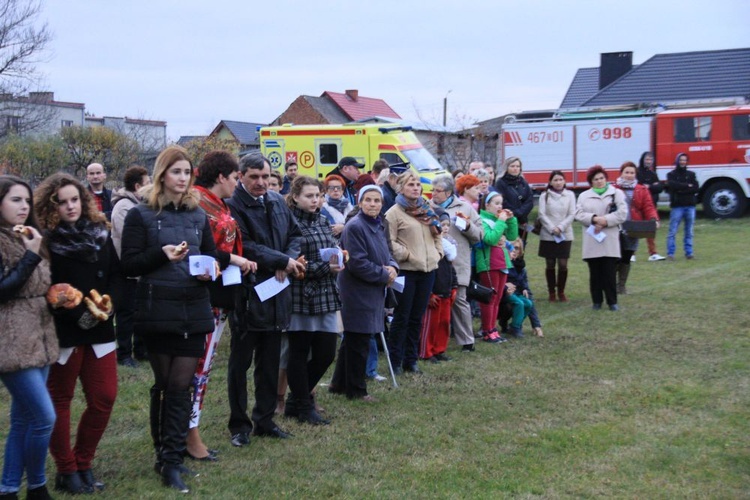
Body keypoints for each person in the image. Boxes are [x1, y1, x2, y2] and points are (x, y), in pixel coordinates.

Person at [120, 145, 218, 493]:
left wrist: (211, 270)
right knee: (166, 386)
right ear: (162, 174)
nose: (182, 178)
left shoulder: (197, 215)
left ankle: (173, 458)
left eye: (187, 172)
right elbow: (129, 264)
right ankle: (164, 456)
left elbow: (207, 256)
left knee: (182, 384)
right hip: (157, 308)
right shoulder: (140, 214)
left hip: (193, 307)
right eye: (176, 171)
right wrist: (158, 255)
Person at [34, 173, 120, 495]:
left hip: (100, 328)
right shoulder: (44, 240)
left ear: (83, 200)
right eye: (62, 202)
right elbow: (43, 287)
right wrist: (74, 310)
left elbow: (116, 276)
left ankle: (84, 461)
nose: (70, 207)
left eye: (74, 200)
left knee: (104, 397)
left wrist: (109, 306)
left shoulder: (100, 232)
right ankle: (66, 469)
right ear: (50, 206)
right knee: (60, 400)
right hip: (64, 330)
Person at [225, 151, 304, 445]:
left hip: (278, 293)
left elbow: (295, 234)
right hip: (248, 294)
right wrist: (282, 261)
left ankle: (265, 419)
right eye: (254, 177)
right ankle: (239, 425)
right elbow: (246, 247)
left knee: (270, 363)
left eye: (265, 177)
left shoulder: (276, 201)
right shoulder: (233, 206)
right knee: (240, 364)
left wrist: (290, 259)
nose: (261, 183)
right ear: (241, 176)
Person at [190, 151, 257, 461]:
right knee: (197, 369)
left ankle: (190, 431)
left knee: (203, 366)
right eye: (234, 177)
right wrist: (234, 258)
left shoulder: (217, 205)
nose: (236, 183)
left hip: (220, 294)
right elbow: (206, 250)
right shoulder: (199, 204)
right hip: (204, 295)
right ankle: (188, 434)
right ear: (221, 177)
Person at [0, 176, 58, 500]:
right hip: (10, 338)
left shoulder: (30, 237)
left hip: (40, 333)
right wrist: (31, 256)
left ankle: (9, 488)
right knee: (43, 417)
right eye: (14, 200)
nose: (23, 207)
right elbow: (3, 290)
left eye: (26, 200)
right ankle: (37, 484)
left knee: (22, 419)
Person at [330, 185, 398, 401]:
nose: (373, 204)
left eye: (377, 200)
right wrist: (383, 275)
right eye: (368, 200)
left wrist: (393, 268)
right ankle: (357, 390)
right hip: (357, 289)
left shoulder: (379, 224)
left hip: (373, 288)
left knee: (353, 338)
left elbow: (388, 251)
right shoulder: (356, 226)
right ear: (360, 203)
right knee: (359, 338)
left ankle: (339, 383)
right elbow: (357, 263)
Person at [285, 176, 342, 424]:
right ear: (296, 197)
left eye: (318, 195)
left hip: (326, 293)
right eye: (309, 196)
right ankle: (304, 406)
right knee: (299, 351)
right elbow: (293, 263)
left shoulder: (322, 220)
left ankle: (296, 400)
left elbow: (328, 250)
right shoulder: (290, 222)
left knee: (326, 352)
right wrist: (325, 268)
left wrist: (340, 257)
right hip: (301, 295)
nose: (315, 200)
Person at [385, 170, 443, 374]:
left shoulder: (427, 209)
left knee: (417, 317)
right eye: (411, 185)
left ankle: (411, 359)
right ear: (401, 188)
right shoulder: (393, 213)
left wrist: (438, 252)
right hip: (407, 271)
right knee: (402, 317)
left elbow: (437, 233)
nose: (416, 188)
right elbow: (388, 242)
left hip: (428, 270)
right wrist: (408, 255)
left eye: (418, 184)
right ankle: (396, 360)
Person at [430, 174, 483, 353]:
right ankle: (435, 342)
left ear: (448, 192)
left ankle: (467, 340)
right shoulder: (427, 207)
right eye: (432, 190)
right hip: (435, 261)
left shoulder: (465, 208)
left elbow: (480, 234)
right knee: (437, 302)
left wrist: (467, 226)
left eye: (437, 191)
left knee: (459, 300)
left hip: (458, 261)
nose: (433, 194)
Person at [110, 165, 151, 368]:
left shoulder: (136, 204)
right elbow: (133, 237)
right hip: (125, 270)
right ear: (137, 186)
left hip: (138, 270)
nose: (151, 186)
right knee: (126, 313)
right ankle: (124, 353)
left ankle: (140, 349)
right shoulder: (123, 207)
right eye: (147, 183)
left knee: (140, 311)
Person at [574, 165, 629, 311]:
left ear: (606, 178)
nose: (599, 181)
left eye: (601, 178)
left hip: (609, 237)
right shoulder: (584, 196)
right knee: (595, 272)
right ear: (591, 181)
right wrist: (594, 219)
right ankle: (596, 301)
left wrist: (605, 220)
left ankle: (612, 302)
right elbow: (578, 214)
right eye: (595, 179)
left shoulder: (616, 193)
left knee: (610, 272)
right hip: (592, 237)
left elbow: (622, 213)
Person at [475, 191, 518, 342]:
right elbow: (491, 239)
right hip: (489, 264)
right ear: (487, 205)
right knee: (489, 298)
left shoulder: (498, 220)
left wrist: (511, 220)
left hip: (501, 262)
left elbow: (512, 236)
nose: (500, 206)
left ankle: (493, 329)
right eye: (496, 203)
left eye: (501, 203)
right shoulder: (482, 220)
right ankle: (487, 330)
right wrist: (501, 221)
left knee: (498, 298)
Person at [614, 161, 660, 294]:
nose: (629, 175)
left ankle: (621, 285)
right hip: (616, 227)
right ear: (621, 173)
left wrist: (653, 219)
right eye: (626, 172)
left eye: (632, 173)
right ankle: (611, 283)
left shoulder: (642, 189)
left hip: (634, 227)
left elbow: (648, 206)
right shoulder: (613, 189)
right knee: (615, 256)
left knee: (627, 256)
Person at [418, 209, 458, 362]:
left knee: (444, 323)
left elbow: (451, 270)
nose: (445, 228)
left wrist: (454, 286)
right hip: (434, 292)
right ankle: (426, 351)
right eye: (442, 224)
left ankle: (439, 349)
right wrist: (429, 293)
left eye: (447, 225)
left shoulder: (448, 248)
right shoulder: (429, 247)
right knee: (430, 324)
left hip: (446, 291)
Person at [537, 170, 575, 302]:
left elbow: (572, 214)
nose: (558, 183)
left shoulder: (570, 195)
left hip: (565, 234)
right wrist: (552, 228)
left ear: (564, 181)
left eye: (560, 180)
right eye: (555, 180)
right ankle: (552, 292)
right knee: (550, 262)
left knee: (563, 264)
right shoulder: (544, 196)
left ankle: (561, 291)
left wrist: (561, 227)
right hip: (548, 234)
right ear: (550, 182)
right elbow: (541, 214)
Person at [505, 238, 543, 337]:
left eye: (517, 248)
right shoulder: (504, 262)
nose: (514, 250)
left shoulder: (521, 265)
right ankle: (516, 329)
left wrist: (524, 288)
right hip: (505, 292)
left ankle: (514, 326)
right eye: (511, 247)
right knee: (519, 303)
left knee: (528, 303)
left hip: (517, 292)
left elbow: (523, 281)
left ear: (521, 251)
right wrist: (505, 284)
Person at [666, 153, 698, 261]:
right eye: (681, 160)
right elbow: (672, 186)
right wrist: (687, 186)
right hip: (677, 206)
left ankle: (689, 253)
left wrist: (681, 189)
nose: (683, 162)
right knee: (672, 231)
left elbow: (695, 188)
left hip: (690, 206)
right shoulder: (671, 174)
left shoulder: (691, 174)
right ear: (677, 161)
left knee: (689, 231)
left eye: (685, 160)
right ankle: (670, 253)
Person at [494, 157, 534, 243]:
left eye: (517, 166)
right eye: (512, 166)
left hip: (522, 221)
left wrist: (521, 212)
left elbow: (530, 200)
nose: (515, 168)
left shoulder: (523, 182)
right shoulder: (500, 183)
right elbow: (502, 201)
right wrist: (515, 213)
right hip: (508, 220)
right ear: (507, 168)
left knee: (521, 247)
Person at [636, 152, 666, 261]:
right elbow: (638, 187)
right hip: (638, 206)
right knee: (636, 230)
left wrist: (649, 186)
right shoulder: (637, 172)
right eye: (647, 159)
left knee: (650, 230)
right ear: (642, 159)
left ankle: (653, 253)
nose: (648, 161)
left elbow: (660, 188)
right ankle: (631, 254)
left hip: (651, 205)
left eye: (650, 160)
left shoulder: (653, 174)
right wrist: (651, 186)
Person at [320, 174, 353, 240]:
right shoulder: (322, 208)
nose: (335, 190)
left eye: (338, 188)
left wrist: (343, 227)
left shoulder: (349, 206)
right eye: (332, 188)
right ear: (326, 190)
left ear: (342, 190)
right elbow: (331, 230)